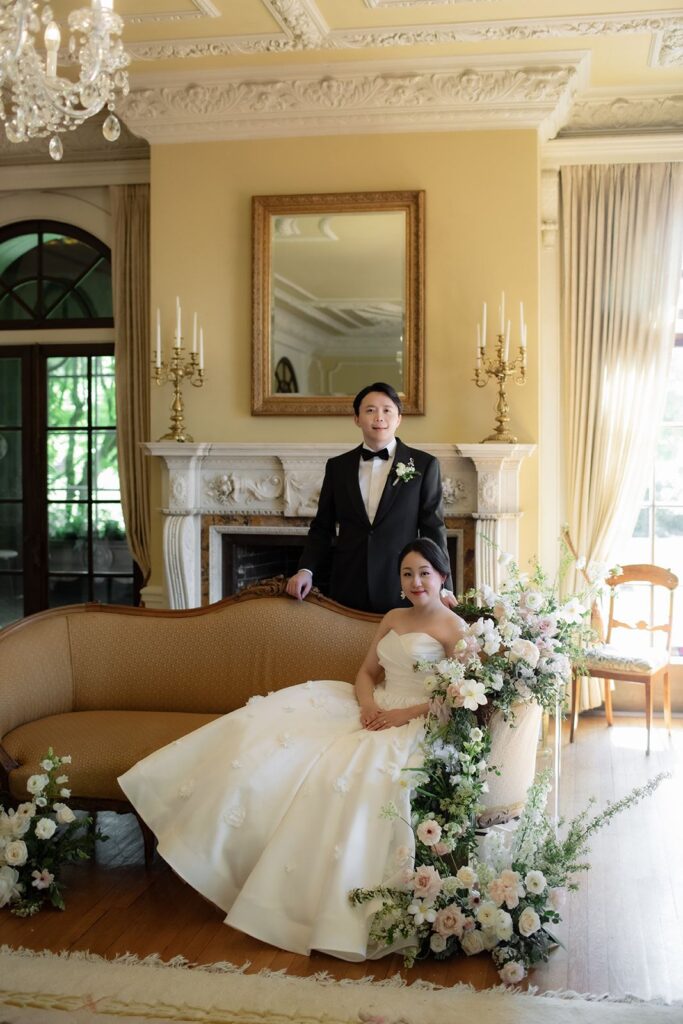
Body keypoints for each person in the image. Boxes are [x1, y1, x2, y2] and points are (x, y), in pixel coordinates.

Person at [118, 538, 467, 962]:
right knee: (266, 740)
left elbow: (455, 696)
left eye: (424, 573)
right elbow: (365, 673)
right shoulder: (393, 617)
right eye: (407, 574)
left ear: (442, 576)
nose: (415, 582)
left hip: (414, 721)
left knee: (351, 775)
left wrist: (400, 716)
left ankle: (321, 909)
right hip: (370, 707)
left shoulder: (455, 629)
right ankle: (221, 857)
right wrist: (371, 704)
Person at [286, 382, 452, 613]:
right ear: (357, 418)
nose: (379, 417)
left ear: (399, 418)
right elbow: (322, 527)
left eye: (387, 410)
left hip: (401, 584)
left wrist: (445, 587)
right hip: (348, 582)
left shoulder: (424, 465)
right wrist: (306, 570)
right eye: (370, 410)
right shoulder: (338, 467)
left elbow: (433, 528)